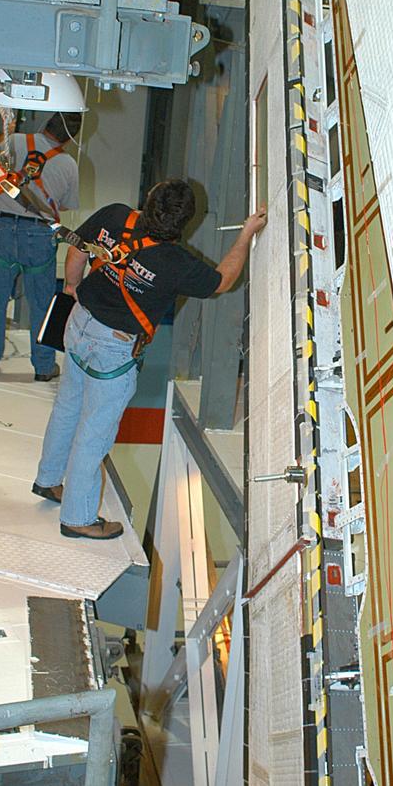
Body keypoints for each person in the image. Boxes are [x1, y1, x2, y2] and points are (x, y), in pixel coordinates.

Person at [32, 179, 267, 539]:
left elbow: (77, 252)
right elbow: (223, 280)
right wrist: (247, 233)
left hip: (78, 323)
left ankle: (48, 480)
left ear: (149, 198)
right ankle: (77, 518)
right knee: (93, 434)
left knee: (67, 406)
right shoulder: (177, 263)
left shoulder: (115, 217)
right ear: (184, 222)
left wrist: (71, 289)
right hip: (112, 349)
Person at [0, 112, 80, 380]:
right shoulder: (68, 164)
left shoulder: (14, 142)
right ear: (71, 139)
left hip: (2, 227)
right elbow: (66, 205)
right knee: (42, 303)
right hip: (38, 234)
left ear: (46, 125)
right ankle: (44, 368)